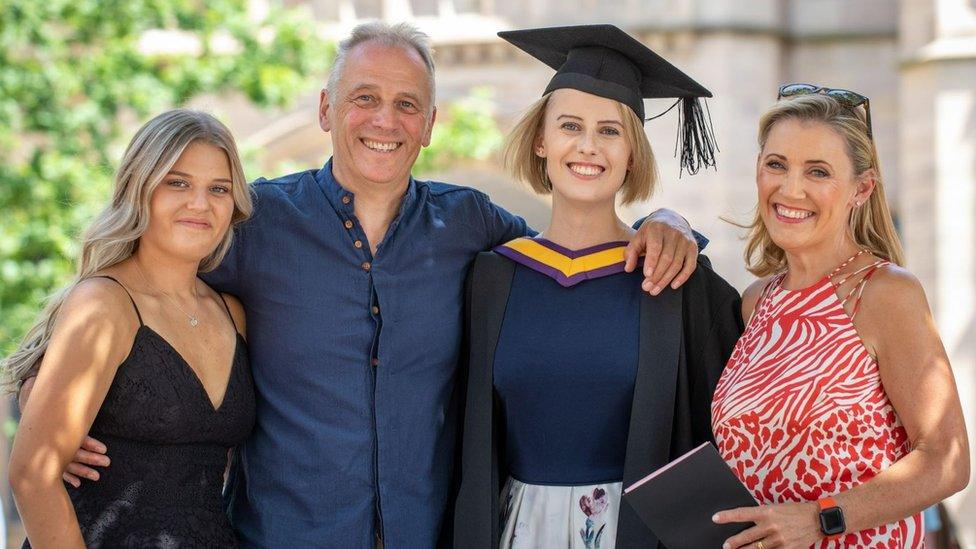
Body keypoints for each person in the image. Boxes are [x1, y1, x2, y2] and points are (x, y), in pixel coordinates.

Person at [20, 23, 703, 548]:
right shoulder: (254, 223)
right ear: (325, 109)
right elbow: (137, 289)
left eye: (408, 104)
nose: (386, 120)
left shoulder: (471, 224)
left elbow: (575, 242)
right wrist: (44, 392)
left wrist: (667, 221)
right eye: (364, 99)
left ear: (431, 123)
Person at [452, 25, 743, 548]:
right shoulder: (491, 279)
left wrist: (673, 223)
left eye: (610, 131)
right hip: (520, 530)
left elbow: (730, 426)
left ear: (633, 152)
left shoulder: (674, 279)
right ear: (541, 140)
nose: (588, 146)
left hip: (637, 534)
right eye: (569, 126)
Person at [711, 88, 970, 548]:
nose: (791, 189)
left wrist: (818, 519)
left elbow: (947, 461)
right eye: (776, 164)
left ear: (861, 189)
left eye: (818, 172)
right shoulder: (757, 301)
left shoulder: (886, 292)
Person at [5, 109, 255, 547]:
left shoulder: (232, 314)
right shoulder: (104, 304)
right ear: (140, 189)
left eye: (219, 189)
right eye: (177, 182)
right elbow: (31, 475)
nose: (200, 204)